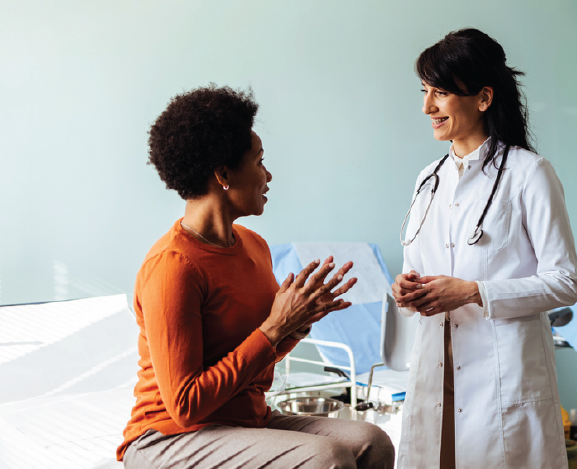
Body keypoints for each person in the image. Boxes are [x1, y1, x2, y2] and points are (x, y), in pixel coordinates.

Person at [118, 85, 394, 469]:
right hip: (169, 438)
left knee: (371, 442)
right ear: (223, 174)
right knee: (325, 459)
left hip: (244, 422)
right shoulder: (173, 268)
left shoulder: (253, 245)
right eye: (259, 160)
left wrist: (294, 325)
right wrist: (274, 328)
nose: (268, 174)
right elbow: (185, 406)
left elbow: (256, 360)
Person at [392, 29, 577, 468]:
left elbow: (565, 282)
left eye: (440, 93)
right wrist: (405, 291)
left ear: (483, 98)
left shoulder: (529, 174)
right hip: (438, 371)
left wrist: (475, 291)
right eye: (425, 92)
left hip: (501, 374)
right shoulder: (428, 179)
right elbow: (415, 270)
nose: (427, 107)